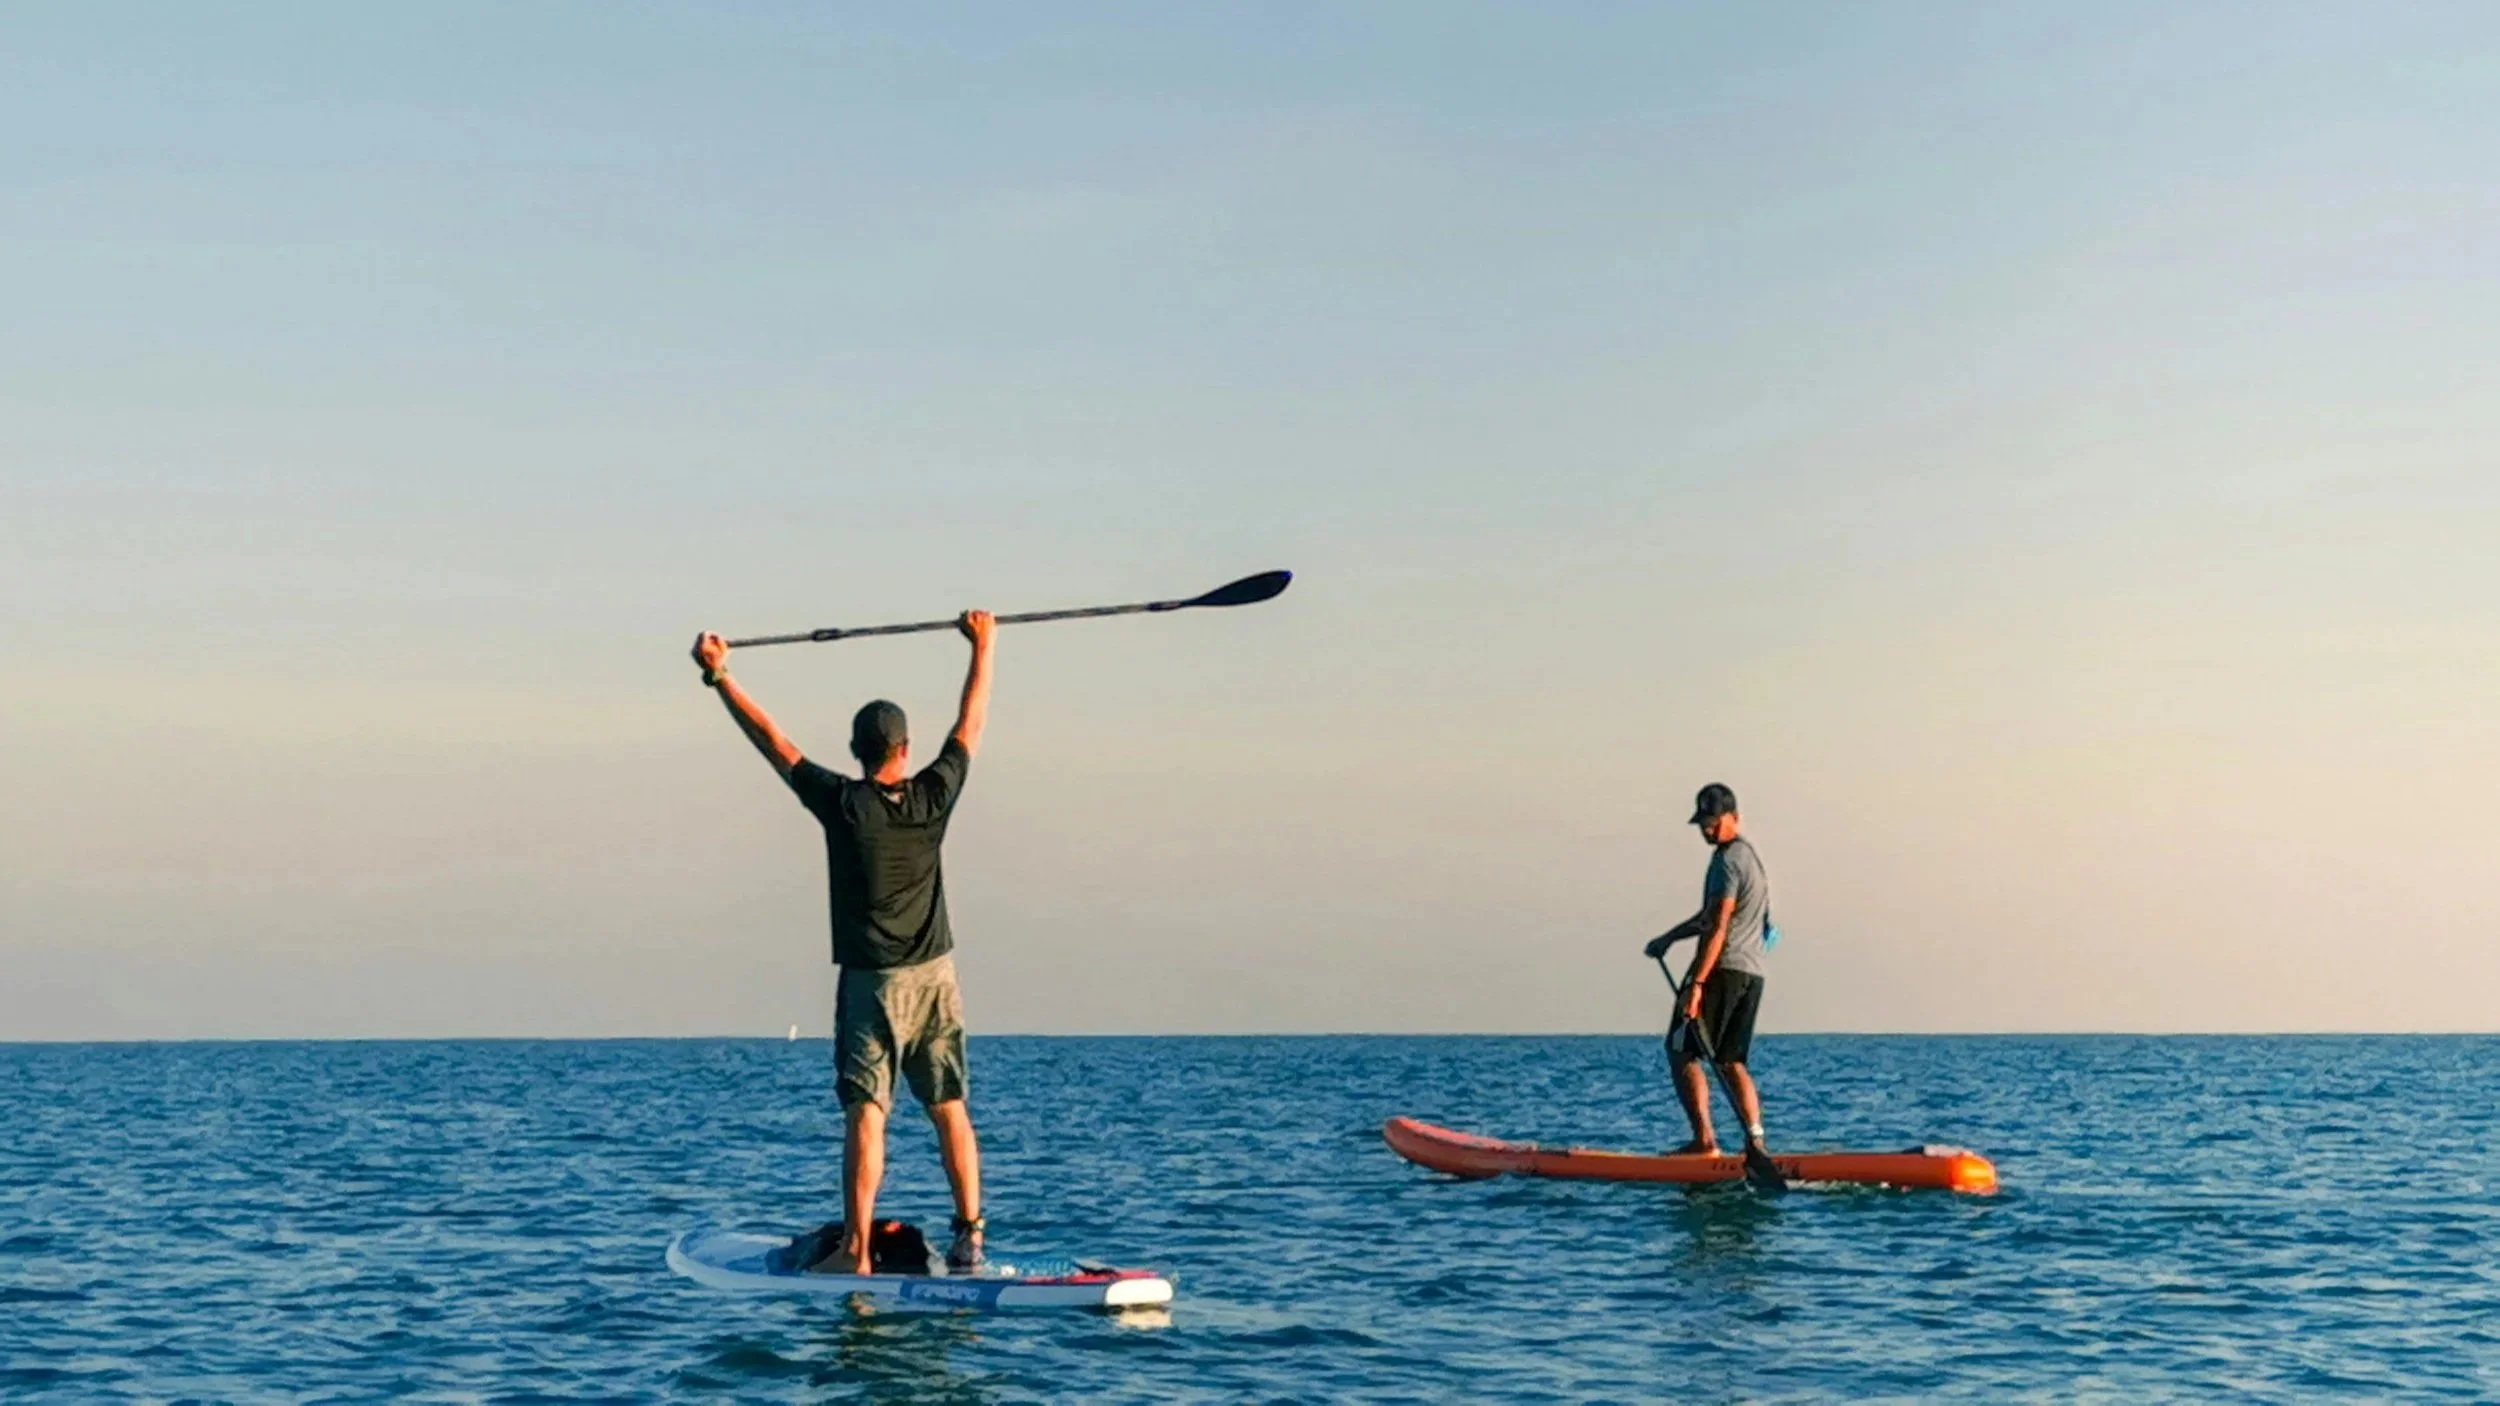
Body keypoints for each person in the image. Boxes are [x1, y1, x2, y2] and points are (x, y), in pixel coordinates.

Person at [688, 609, 996, 1275]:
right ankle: (970, 1238)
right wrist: (984, 645)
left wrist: (721, 678)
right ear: (904, 749)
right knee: (950, 1109)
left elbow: (773, 742)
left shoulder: (843, 804)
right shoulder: (933, 796)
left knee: (867, 1115)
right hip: (938, 977)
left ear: (857, 752)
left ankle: (857, 1253)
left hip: (872, 984)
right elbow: (970, 724)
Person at [1643, 782, 1772, 1160]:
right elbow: (1710, 918)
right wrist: (1669, 938)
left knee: (1681, 1050)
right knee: (1731, 1060)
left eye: (1714, 822)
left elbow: (1717, 926)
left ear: (1735, 818)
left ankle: (1704, 1143)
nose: (1707, 830)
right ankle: (1756, 1143)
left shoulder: (1727, 862)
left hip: (1722, 972)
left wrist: (1697, 984)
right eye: (1703, 823)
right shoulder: (1751, 859)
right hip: (1752, 974)